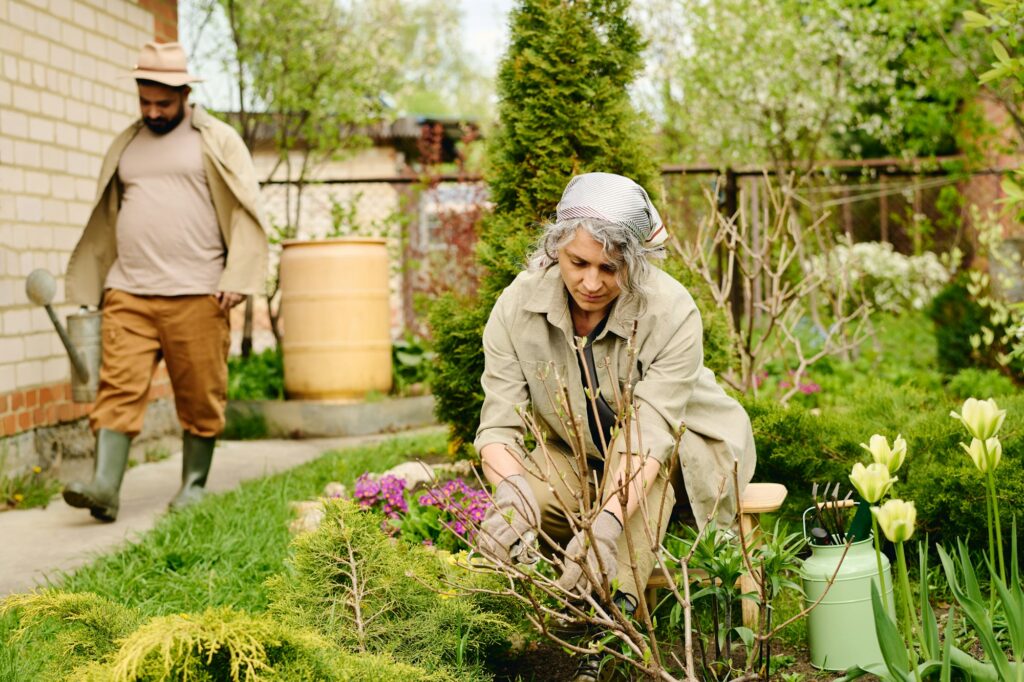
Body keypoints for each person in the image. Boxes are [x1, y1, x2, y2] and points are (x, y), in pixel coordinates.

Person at [475, 172, 756, 614]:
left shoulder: (670, 310)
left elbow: (648, 436)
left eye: (610, 268)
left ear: (636, 264)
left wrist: (604, 526)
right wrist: (513, 497)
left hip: (682, 452)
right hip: (581, 451)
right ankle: (525, 617)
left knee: (632, 500)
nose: (590, 282)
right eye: (577, 263)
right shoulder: (516, 307)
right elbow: (497, 425)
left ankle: (608, 621)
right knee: (531, 501)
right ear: (554, 251)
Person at [61, 42, 268, 522]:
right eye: (145, 102)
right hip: (129, 289)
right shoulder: (127, 142)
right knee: (117, 389)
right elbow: (108, 214)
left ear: (184, 93)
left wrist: (237, 276)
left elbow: (245, 212)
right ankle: (104, 488)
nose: (153, 112)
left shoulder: (216, 139)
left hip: (198, 291)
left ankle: (193, 486)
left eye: (163, 104)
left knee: (200, 393)